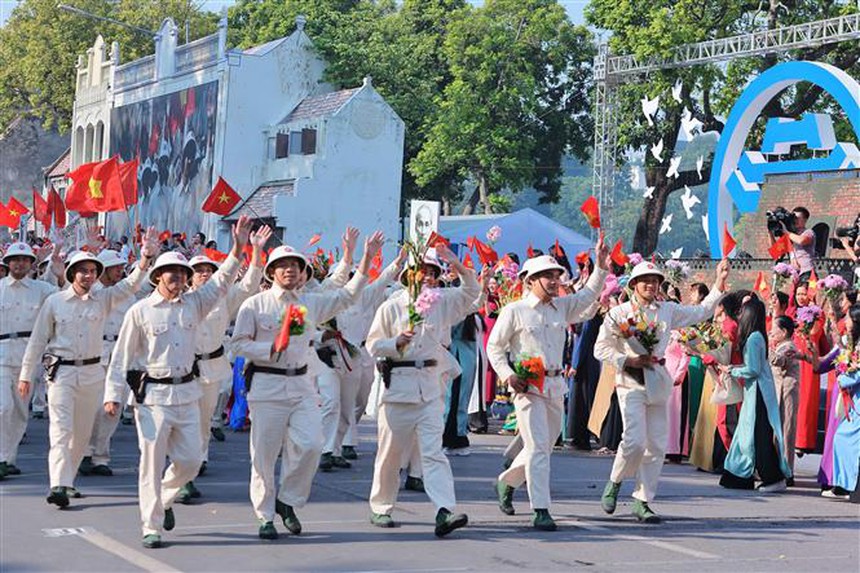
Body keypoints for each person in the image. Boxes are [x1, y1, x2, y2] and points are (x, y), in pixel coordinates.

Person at [103, 216, 252, 549]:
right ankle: (150, 524)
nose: (180, 279)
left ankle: (165, 499)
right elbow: (121, 358)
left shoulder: (195, 303)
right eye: (174, 274)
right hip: (152, 396)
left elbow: (224, 280)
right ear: (158, 277)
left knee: (191, 461)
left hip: (187, 392)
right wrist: (113, 395)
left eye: (184, 275)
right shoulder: (140, 311)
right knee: (151, 463)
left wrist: (240, 247)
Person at [231, 229, 382, 541]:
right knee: (264, 456)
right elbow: (239, 345)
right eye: (283, 265)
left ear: (301, 273)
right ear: (271, 271)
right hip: (267, 386)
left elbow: (347, 295)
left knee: (312, 445)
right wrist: (269, 348)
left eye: (295, 265)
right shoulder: (255, 305)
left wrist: (365, 258)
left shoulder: (306, 305)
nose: (290, 269)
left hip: (301, 385)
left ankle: (288, 500)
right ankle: (265, 516)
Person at [19, 230, 160, 508]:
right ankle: (57, 483)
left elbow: (131, 284)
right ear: (72, 274)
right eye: (82, 270)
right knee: (60, 429)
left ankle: (68, 481)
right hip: (62, 374)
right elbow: (37, 341)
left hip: (93, 374)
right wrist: (26, 375)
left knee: (81, 433)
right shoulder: (55, 302)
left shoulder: (104, 300)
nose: (87, 275)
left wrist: (145, 257)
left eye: (92, 271)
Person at [488, 234, 610, 531]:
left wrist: (602, 268)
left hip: (556, 387)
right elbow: (495, 346)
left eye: (556, 275)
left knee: (541, 446)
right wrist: (508, 374)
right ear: (529, 280)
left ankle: (506, 483)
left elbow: (587, 296)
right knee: (539, 448)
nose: (554, 281)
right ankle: (540, 508)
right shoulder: (514, 310)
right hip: (527, 387)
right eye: (546, 276)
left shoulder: (562, 306)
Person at [595, 258, 729, 523]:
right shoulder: (619, 313)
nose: (650, 284)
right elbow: (600, 349)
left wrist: (719, 282)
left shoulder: (667, 310)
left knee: (656, 444)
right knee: (633, 440)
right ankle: (615, 482)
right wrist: (628, 360)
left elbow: (701, 311)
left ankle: (642, 500)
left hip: (658, 379)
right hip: (630, 380)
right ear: (633, 284)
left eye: (655, 280)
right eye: (645, 280)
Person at [365, 244, 480, 537]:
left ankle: (445, 509)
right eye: (423, 271)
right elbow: (373, 345)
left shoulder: (442, 301)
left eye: (433, 272)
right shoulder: (391, 306)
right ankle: (381, 506)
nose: (428, 277)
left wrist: (459, 265)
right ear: (409, 275)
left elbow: (471, 295)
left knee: (433, 453)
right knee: (390, 454)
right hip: (398, 387)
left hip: (429, 388)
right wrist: (396, 344)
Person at [177, 226, 268, 502]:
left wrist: (254, 253)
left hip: (211, 368)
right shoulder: (179, 300)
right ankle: (183, 475)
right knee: (183, 424)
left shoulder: (223, 299)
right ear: (189, 277)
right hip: (181, 371)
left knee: (203, 422)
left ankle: (195, 465)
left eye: (209, 270)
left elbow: (249, 285)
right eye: (199, 270)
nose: (205, 274)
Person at [79, 249, 142, 477]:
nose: (119, 270)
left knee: (111, 410)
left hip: (120, 354)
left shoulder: (128, 295)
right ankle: (84, 452)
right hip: (94, 353)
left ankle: (100, 457)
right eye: (114, 266)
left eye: (121, 266)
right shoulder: (91, 293)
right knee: (92, 407)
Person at [0, 243, 60, 479]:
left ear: (31, 263)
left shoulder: (42, 289)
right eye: (15, 259)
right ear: (8, 262)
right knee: (3, 407)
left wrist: (60, 274)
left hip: (29, 356)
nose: (19, 263)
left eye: (25, 260)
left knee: (19, 412)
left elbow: (66, 298)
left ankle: (8, 458)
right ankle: (2, 458)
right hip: (2, 354)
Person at [719, 297, 791, 491]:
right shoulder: (758, 336)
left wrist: (731, 370)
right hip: (758, 390)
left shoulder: (753, 338)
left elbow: (753, 369)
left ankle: (773, 478)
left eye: (743, 312)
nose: (740, 315)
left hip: (758, 391)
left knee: (759, 435)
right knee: (757, 434)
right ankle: (768, 475)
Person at [769, 315, 802, 483]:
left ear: (784, 331)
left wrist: (766, 347)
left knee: (786, 430)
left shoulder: (788, 346)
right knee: (781, 430)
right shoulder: (782, 345)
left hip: (787, 392)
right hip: (782, 391)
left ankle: (787, 471)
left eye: (774, 329)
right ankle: (781, 468)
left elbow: (779, 361)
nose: (771, 332)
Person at [768, 206, 816, 281]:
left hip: (807, 272)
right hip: (795, 275)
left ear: (805, 220)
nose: (794, 220)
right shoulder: (790, 236)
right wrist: (770, 232)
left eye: (797, 218)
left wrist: (786, 232)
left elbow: (801, 241)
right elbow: (775, 251)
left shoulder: (808, 232)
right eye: (793, 218)